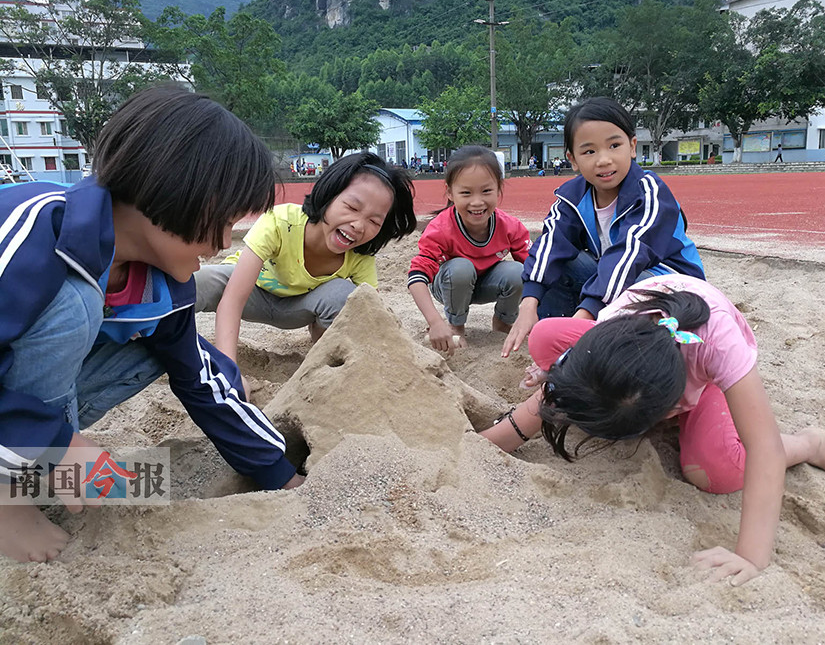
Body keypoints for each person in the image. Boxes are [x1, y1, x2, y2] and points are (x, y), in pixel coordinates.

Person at [0, 86, 304, 564]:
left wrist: (278, 473)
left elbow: (201, 380)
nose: (225, 243)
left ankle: (41, 468)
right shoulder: (33, 231)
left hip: (27, 422)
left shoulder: (162, 286)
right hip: (21, 417)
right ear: (179, 190)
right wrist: (58, 443)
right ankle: (7, 501)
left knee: (166, 351)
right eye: (225, 221)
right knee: (74, 306)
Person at [482, 274, 825, 586]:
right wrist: (490, 442)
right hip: (634, 343)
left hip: (699, 368)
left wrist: (751, 556)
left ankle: (812, 444)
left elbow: (763, 446)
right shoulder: (607, 340)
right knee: (546, 336)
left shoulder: (719, 346)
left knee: (715, 472)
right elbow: (558, 395)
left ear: (671, 409)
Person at [502, 97, 705, 358]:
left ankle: (581, 345)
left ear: (632, 146)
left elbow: (628, 256)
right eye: (589, 151)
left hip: (674, 288)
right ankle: (557, 346)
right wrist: (530, 301)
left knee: (622, 286)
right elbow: (550, 243)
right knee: (559, 263)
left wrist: (585, 314)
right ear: (572, 159)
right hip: (618, 280)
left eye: (614, 145)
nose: (604, 160)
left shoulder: (650, 193)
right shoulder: (572, 197)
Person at [195, 152, 416, 383]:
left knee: (349, 297)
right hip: (253, 292)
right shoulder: (281, 221)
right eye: (352, 207)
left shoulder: (360, 257)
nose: (358, 225)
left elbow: (374, 317)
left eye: (374, 221)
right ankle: (163, 341)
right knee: (195, 281)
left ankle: (322, 359)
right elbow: (233, 300)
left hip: (299, 309)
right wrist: (229, 372)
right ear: (329, 195)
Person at [408, 146, 531, 353]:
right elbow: (416, 276)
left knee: (518, 272)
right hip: (450, 285)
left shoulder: (509, 226)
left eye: (486, 191)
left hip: (487, 284)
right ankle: (456, 324)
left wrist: (536, 313)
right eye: (466, 193)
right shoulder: (441, 228)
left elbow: (535, 269)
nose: (477, 202)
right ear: (450, 192)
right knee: (461, 268)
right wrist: (435, 321)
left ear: (499, 188)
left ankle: (502, 321)